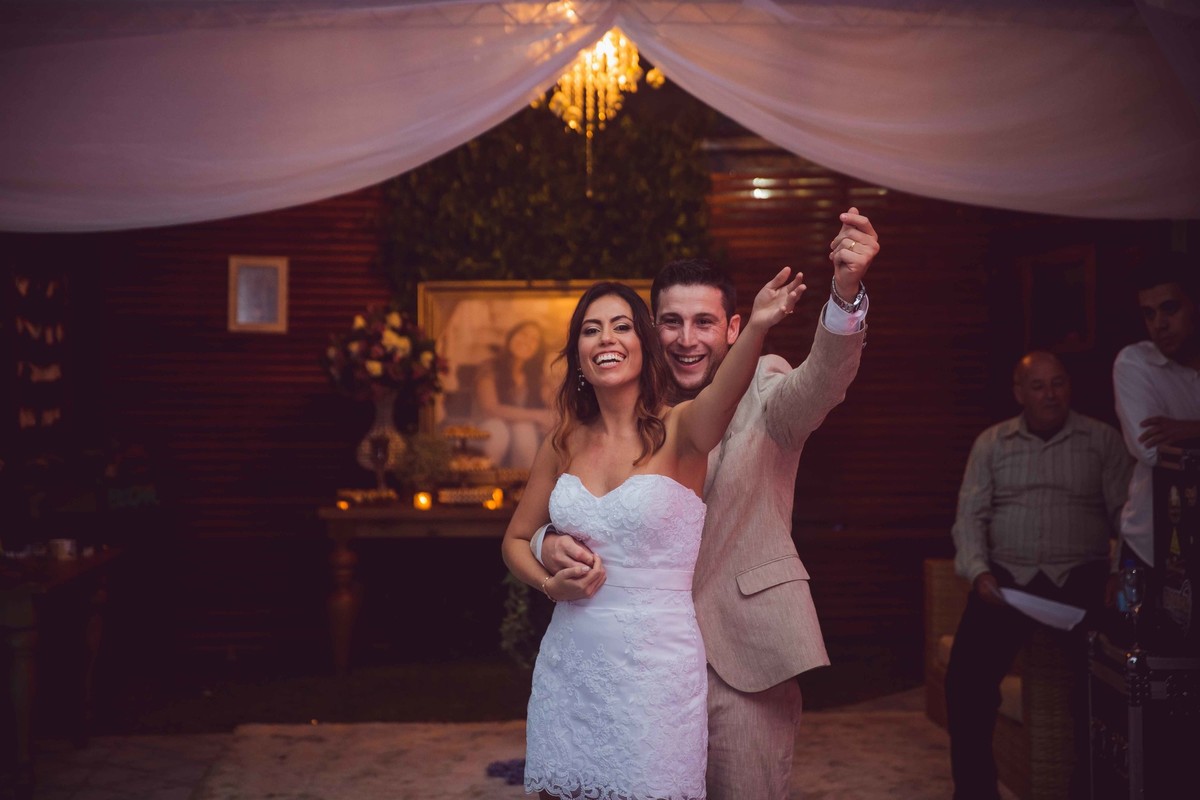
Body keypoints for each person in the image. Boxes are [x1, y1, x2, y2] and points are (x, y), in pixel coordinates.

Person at [535, 207, 878, 799]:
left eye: (704, 322)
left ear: (734, 327)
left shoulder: (765, 385)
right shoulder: (623, 407)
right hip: (638, 668)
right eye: (671, 322)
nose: (687, 339)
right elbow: (579, 508)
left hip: (741, 658)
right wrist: (549, 541)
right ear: (651, 330)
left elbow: (822, 382)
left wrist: (845, 293)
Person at [501, 270, 807, 800]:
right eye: (591, 330)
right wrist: (551, 583)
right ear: (578, 356)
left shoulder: (683, 430)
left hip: (656, 671)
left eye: (621, 326)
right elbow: (514, 541)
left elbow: (729, 389)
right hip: (570, 664)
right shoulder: (561, 441)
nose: (607, 339)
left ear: (645, 345)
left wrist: (757, 326)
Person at [945, 351, 1132, 800]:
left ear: (1070, 386)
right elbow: (969, 518)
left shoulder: (1101, 441)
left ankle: (1090, 791)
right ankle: (976, 793)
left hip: (1082, 581)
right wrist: (979, 572)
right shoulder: (992, 443)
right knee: (965, 682)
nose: (1050, 394)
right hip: (1006, 582)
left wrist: (1119, 572)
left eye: (1058, 383)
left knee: (1107, 685)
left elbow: (1129, 518)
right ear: (1019, 393)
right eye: (1038, 386)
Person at [1112, 254, 1200, 572]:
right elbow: (1153, 450)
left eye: (1170, 309)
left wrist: (1190, 429)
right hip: (1151, 545)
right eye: (1149, 314)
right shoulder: (1135, 362)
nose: (1159, 324)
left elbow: (1181, 446)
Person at [474, 319, 556, 470]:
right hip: (488, 425)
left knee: (524, 429)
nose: (527, 341)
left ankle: (523, 482)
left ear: (537, 349)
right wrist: (537, 416)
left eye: (534, 340)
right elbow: (490, 408)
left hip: (522, 429)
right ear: (511, 336)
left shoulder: (535, 374)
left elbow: (554, 403)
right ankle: (487, 480)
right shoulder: (490, 367)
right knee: (498, 430)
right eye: (523, 334)